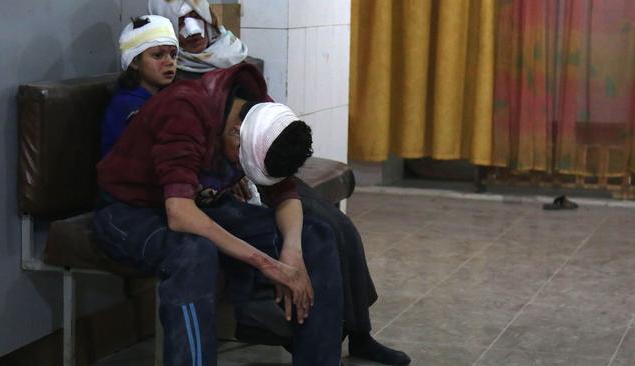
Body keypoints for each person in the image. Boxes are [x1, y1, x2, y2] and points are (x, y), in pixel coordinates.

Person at [149, 1, 411, 364]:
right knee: (317, 231)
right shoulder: (179, 100)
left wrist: (292, 249)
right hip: (225, 185)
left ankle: (355, 333)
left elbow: (278, 180)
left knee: (336, 227)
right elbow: (180, 191)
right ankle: (279, 321)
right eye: (183, 29)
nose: (193, 35)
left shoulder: (245, 89)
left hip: (251, 173)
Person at [95, 62, 343, 366]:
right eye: (242, 162)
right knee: (193, 253)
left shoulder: (263, 114)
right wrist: (267, 264)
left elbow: (284, 194)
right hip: (129, 210)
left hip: (198, 204)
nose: (238, 170)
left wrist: (292, 252)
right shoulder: (184, 110)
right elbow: (180, 214)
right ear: (236, 133)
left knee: (314, 235)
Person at [100, 15, 179, 157]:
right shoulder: (127, 106)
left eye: (173, 55)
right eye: (158, 55)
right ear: (134, 61)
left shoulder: (170, 96)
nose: (170, 62)